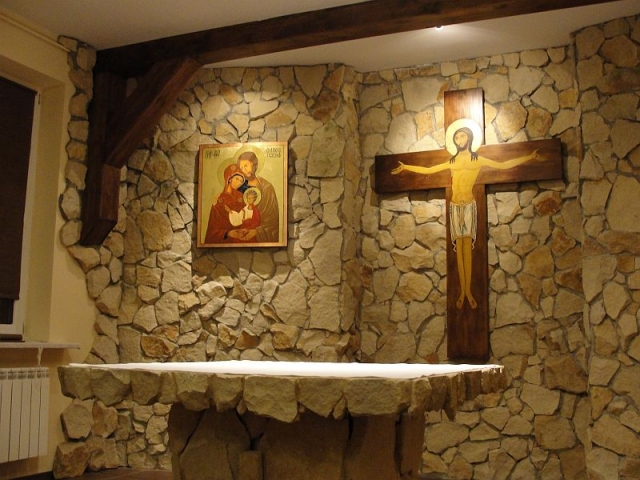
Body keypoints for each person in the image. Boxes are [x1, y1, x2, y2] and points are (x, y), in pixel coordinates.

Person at [391, 119, 541, 310]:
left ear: (469, 138)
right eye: (457, 137)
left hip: (469, 205)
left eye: (462, 136)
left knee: (467, 249)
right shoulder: (452, 161)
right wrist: (406, 167)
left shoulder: (477, 159)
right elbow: (428, 170)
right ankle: (462, 291)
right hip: (455, 206)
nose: (459, 140)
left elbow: (503, 165)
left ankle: (467, 291)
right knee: (459, 249)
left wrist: (529, 157)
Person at [235, 149, 280, 243]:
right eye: (241, 168)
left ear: (254, 164)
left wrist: (257, 231)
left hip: (258, 236)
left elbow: (272, 219)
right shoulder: (238, 187)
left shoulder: (266, 187)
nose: (244, 170)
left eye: (246, 165)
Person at [203, 164, 246, 244]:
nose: (239, 183)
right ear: (229, 179)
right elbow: (212, 229)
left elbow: (246, 216)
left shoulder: (242, 198)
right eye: (237, 179)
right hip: (226, 239)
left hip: (241, 239)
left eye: (241, 181)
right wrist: (228, 234)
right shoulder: (219, 200)